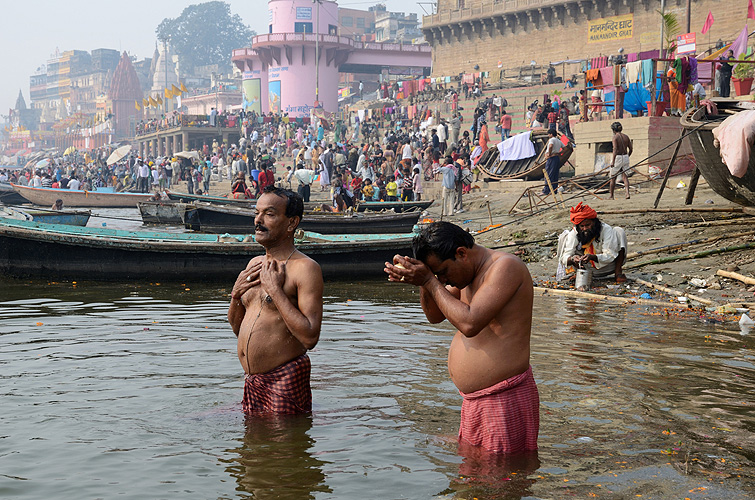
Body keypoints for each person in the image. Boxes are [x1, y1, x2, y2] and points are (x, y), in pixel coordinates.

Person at [384, 222, 539, 454]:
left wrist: (429, 280)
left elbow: (470, 323)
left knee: (500, 483)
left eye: (444, 272)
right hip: (477, 401)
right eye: (437, 275)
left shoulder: (505, 267)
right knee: (477, 480)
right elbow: (434, 315)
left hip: (502, 399)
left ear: (461, 253)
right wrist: (422, 281)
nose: (443, 280)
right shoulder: (466, 275)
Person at [228, 186, 323, 415]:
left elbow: (310, 337)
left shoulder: (305, 269)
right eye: (257, 213)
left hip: (285, 380)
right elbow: (236, 327)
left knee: (284, 449)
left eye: (269, 214)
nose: (258, 221)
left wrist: (275, 291)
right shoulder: (254, 264)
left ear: (291, 223)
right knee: (252, 450)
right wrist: (235, 295)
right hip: (253, 382)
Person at [557, 202, 628, 282]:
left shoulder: (606, 229)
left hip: (608, 266)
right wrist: (573, 259)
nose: (584, 229)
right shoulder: (575, 232)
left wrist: (592, 257)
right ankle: (580, 274)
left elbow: (610, 255)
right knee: (564, 237)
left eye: (587, 225)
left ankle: (618, 273)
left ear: (594, 223)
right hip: (586, 268)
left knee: (619, 231)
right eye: (582, 226)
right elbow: (565, 257)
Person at [609, 122, 632, 200]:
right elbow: (631, 149)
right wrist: (627, 156)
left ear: (613, 130)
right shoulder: (626, 137)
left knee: (613, 177)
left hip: (618, 157)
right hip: (625, 156)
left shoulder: (615, 137)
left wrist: (613, 161)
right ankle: (627, 193)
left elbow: (615, 149)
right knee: (625, 177)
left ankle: (611, 196)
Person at [541, 129, 562, 196]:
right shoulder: (559, 141)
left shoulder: (552, 140)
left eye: (549, 134)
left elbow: (550, 146)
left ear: (551, 134)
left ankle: (546, 190)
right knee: (555, 174)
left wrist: (549, 154)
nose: (548, 135)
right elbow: (564, 148)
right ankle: (554, 190)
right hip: (556, 158)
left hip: (551, 159)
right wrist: (558, 153)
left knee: (548, 174)